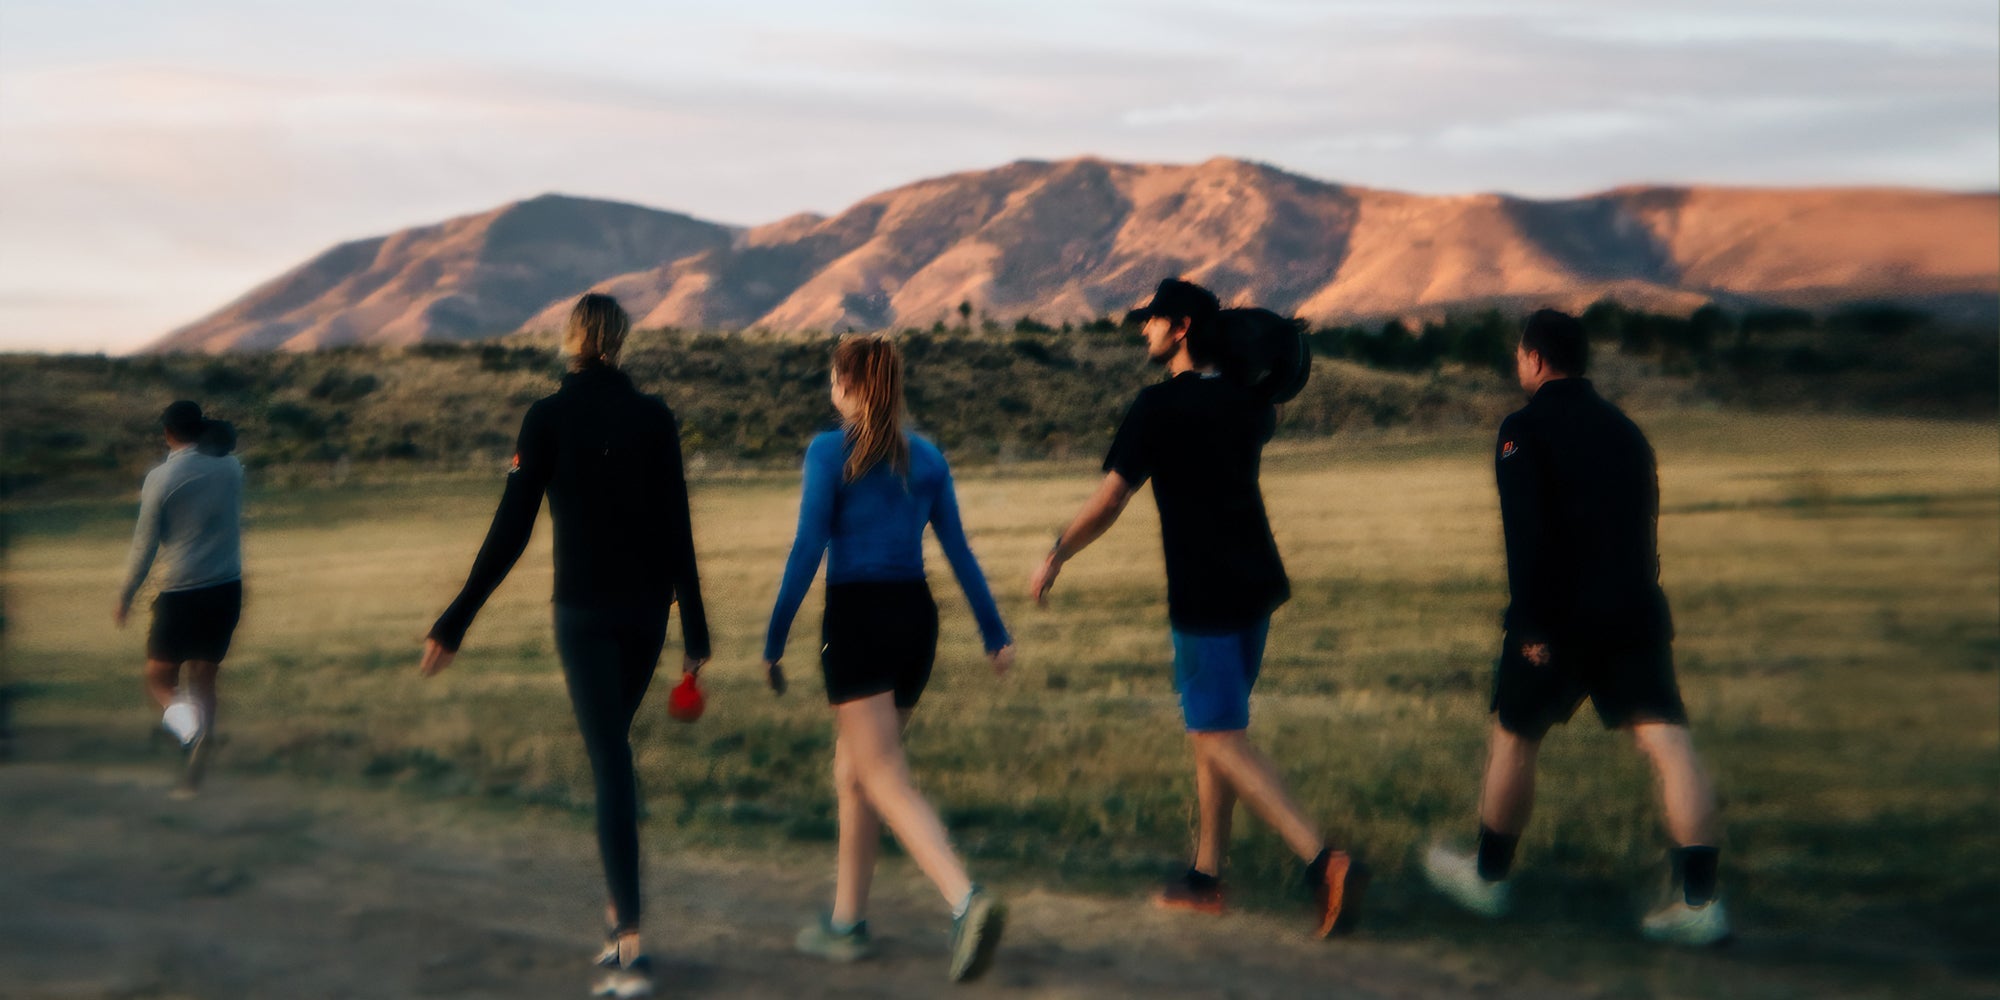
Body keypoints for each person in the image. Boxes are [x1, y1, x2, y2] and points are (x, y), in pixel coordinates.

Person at [1028, 278, 1367, 937]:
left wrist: (1057, 552)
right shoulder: (1248, 403)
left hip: (1204, 594)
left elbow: (1109, 502)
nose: (1142, 331)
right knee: (1215, 731)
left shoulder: (1157, 409)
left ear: (1181, 327)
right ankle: (1206, 877)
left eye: (1152, 321)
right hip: (1255, 586)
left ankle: (1322, 861)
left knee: (1218, 735)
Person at [418, 293, 710, 999]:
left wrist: (455, 620)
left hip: (583, 615)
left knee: (611, 762)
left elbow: (511, 530)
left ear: (573, 339)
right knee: (613, 754)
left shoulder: (548, 417)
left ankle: (632, 948)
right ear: (623, 340)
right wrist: (695, 631)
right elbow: (678, 527)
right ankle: (618, 923)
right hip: (647, 618)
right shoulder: (655, 418)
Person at [1419, 308, 1729, 947]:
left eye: (1518, 356)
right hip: (1633, 613)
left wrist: (1531, 625)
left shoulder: (1522, 431)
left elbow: (1526, 536)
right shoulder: (1626, 431)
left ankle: (1489, 879)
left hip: (1558, 621)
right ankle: (1702, 902)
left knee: (1514, 737)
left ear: (1533, 359)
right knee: (1670, 746)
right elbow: (1642, 529)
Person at [763, 334, 1013, 984]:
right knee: (855, 772)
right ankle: (848, 923)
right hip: (914, 621)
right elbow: (958, 550)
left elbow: (807, 546)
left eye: (833, 377)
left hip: (859, 618)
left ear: (846, 385)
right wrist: (993, 632)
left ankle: (966, 899)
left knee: (880, 775)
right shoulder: (926, 458)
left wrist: (773, 636)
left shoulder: (828, 451)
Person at [116, 400, 245, 798]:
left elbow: (145, 544)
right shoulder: (232, 469)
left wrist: (127, 592)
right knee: (204, 676)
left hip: (180, 590)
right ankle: (200, 754)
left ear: (167, 433)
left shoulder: (161, 477)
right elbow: (222, 449)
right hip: (226, 586)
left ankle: (191, 732)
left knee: (159, 676)